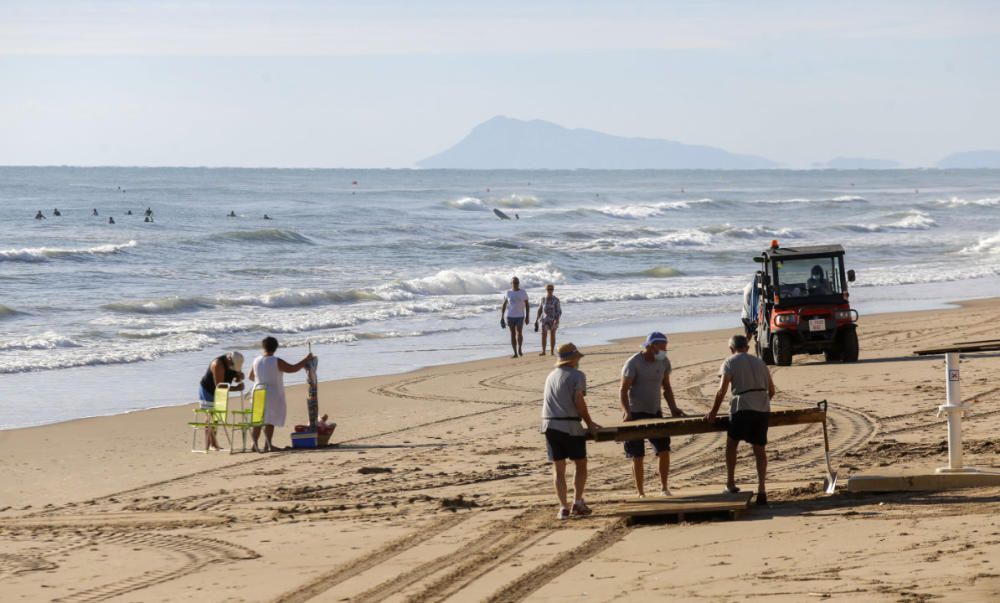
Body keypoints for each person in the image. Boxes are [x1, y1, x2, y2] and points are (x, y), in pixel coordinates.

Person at [705, 334, 776, 506]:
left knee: (732, 445)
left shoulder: (730, 362)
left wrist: (713, 412)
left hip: (742, 407)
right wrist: (761, 401)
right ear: (748, 347)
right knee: (759, 450)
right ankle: (761, 489)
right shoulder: (760, 362)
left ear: (731, 349)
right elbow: (772, 390)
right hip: (762, 409)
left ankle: (730, 483)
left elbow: (721, 391)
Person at [620, 331, 686, 497]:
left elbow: (667, 387)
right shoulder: (633, 363)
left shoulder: (663, 361)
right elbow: (623, 390)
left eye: (666, 348)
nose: (664, 351)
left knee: (663, 450)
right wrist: (626, 412)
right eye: (662, 348)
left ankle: (664, 487)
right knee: (637, 455)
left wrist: (673, 408)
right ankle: (641, 492)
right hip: (635, 413)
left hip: (655, 412)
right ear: (651, 346)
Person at [542, 343, 601, 520]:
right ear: (573, 359)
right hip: (570, 426)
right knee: (580, 463)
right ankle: (577, 502)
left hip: (549, 426)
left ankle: (563, 507)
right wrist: (590, 423)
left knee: (558, 468)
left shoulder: (551, 376)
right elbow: (579, 402)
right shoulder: (577, 375)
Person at [248, 336, 313, 452]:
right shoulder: (276, 361)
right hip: (271, 393)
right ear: (275, 348)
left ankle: (254, 444)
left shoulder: (256, 360)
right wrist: (306, 359)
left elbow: (250, 376)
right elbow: (292, 369)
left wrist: (262, 381)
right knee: (270, 420)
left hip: (257, 391)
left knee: (257, 419)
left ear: (263, 347)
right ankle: (268, 445)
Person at [197, 351, 245, 451]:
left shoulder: (231, 363)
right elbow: (220, 387)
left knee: (217, 416)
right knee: (211, 415)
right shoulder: (218, 364)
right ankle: (210, 444)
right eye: (232, 365)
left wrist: (239, 376)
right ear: (229, 359)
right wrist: (236, 389)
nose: (233, 366)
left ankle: (213, 444)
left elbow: (236, 373)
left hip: (220, 391)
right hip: (208, 390)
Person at [500, 276, 529, 358]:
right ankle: (515, 353)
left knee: (519, 333)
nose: (515, 284)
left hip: (520, 316)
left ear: (518, 283)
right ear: (511, 283)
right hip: (510, 316)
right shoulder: (508, 292)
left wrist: (527, 316)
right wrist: (502, 317)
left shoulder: (523, 292)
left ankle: (519, 348)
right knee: (512, 334)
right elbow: (504, 304)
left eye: (517, 282)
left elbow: (527, 305)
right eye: (514, 283)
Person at [534, 283, 562, 356]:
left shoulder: (556, 299)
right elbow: (540, 309)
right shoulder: (543, 299)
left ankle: (552, 351)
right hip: (544, 320)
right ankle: (543, 351)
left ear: (553, 290)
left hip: (553, 320)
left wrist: (557, 320)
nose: (550, 290)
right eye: (548, 289)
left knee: (552, 335)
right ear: (546, 290)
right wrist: (536, 319)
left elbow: (558, 311)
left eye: (551, 289)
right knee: (544, 335)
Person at [741, 275, 759, 340]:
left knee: (748, 336)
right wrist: (755, 317)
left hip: (744, 315)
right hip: (750, 316)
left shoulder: (749, 285)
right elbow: (753, 304)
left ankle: (740, 348)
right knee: (757, 335)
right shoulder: (754, 289)